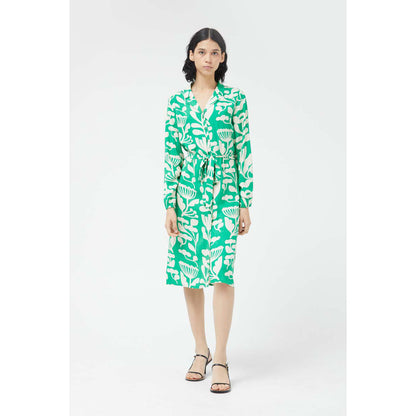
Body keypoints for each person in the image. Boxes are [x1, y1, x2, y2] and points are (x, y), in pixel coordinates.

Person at [163, 27, 254, 393]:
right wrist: (169, 203)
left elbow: (243, 150)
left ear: (222, 58)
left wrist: (245, 201)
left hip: (225, 192)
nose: (208, 58)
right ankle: (200, 350)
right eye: (202, 51)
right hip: (187, 194)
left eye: (215, 52)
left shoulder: (235, 99)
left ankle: (221, 358)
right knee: (190, 274)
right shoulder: (176, 103)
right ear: (191, 55)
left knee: (222, 272)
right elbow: (172, 153)